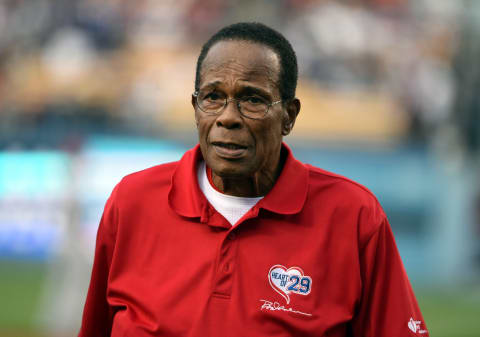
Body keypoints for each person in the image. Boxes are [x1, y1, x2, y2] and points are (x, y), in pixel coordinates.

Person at [78, 22, 429, 337]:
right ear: (195, 106)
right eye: (213, 97)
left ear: (289, 116)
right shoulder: (133, 201)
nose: (228, 118)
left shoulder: (353, 216)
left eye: (252, 100)